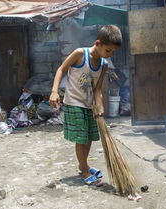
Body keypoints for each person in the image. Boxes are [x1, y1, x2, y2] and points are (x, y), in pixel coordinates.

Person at [49, 25, 122, 185]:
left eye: (112, 52)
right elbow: (61, 69)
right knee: (81, 139)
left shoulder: (104, 65)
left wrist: (100, 106)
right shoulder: (80, 54)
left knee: (88, 137)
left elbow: (97, 90)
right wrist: (54, 91)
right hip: (74, 102)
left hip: (89, 105)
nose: (109, 55)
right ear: (98, 43)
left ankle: (85, 165)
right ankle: (84, 170)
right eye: (108, 51)